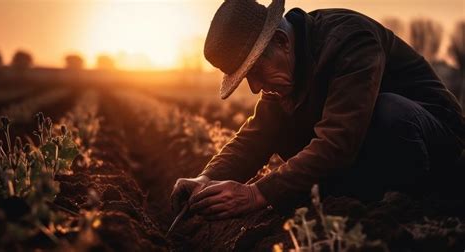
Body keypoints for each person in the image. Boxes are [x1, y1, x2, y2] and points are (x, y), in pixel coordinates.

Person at [171, 0, 465, 220]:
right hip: (374, 147)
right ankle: (360, 194)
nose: (255, 88)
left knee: (388, 112)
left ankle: (419, 201)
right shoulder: (287, 71)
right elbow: (257, 134)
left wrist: (258, 193)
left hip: (438, 138)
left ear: (281, 41)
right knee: (285, 130)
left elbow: (339, 140)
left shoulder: (350, 40)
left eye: (254, 72)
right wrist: (206, 179)